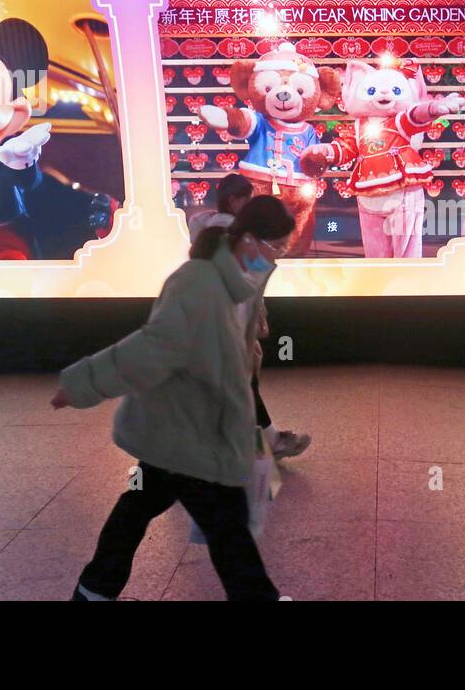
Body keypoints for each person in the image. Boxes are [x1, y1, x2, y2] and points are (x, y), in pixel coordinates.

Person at [51, 196, 296, 601]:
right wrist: (81, 384)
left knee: (140, 506)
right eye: (276, 249)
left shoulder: (243, 282)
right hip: (186, 429)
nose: (278, 259)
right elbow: (149, 349)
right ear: (250, 240)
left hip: (191, 427)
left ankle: (93, 591)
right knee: (224, 522)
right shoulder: (196, 283)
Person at [189, 175, 311, 460]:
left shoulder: (214, 237)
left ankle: (260, 446)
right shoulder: (238, 251)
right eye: (278, 240)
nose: (280, 248)